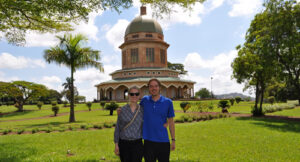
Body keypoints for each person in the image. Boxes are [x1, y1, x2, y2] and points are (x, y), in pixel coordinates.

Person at [140, 78, 175, 162]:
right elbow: (136, 112)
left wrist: (173, 140)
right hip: (148, 142)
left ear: (160, 87)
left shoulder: (168, 102)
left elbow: (171, 122)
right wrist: (122, 111)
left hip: (163, 141)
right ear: (148, 88)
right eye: (151, 86)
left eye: (156, 86)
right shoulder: (144, 100)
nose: (153, 88)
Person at [114, 86, 143, 162]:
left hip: (137, 144)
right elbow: (118, 128)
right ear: (128, 95)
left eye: (136, 94)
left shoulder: (143, 110)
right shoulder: (122, 110)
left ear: (139, 95)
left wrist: (165, 121)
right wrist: (116, 144)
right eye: (132, 94)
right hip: (124, 144)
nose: (134, 96)